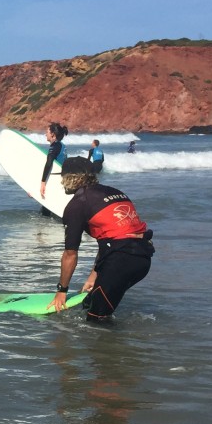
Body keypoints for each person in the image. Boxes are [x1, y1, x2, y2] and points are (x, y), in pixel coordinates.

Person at [46, 156, 153, 322]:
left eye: (63, 178)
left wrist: (62, 291)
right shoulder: (115, 192)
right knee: (90, 304)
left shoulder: (78, 204)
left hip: (121, 261)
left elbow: (70, 254)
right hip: (143, 258)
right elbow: (110, 239)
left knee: (96, 323)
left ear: (71, 178)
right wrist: (93, 276)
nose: (61, 182)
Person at [38, 122, 68, 200]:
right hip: (63, 179)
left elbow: (49, 164)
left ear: (53, 134)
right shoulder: (62, 145)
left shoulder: (54, 147)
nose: (45, 134)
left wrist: (43, 183)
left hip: (56, 181)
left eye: (47, 132)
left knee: (45, 209)